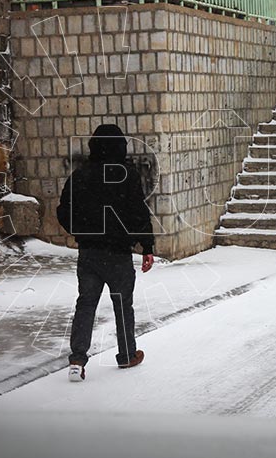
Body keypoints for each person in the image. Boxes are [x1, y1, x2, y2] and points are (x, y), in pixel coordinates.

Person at [57, 124, 155, 382]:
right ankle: (126, 355)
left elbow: (63, 210)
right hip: (118, 253)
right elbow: (138, 212)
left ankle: (77, 360)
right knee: (123, 305)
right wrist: (147, 246)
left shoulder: (80, 176)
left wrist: (81, 231)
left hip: (88, 253)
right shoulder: (127, 175)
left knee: (86, 304)